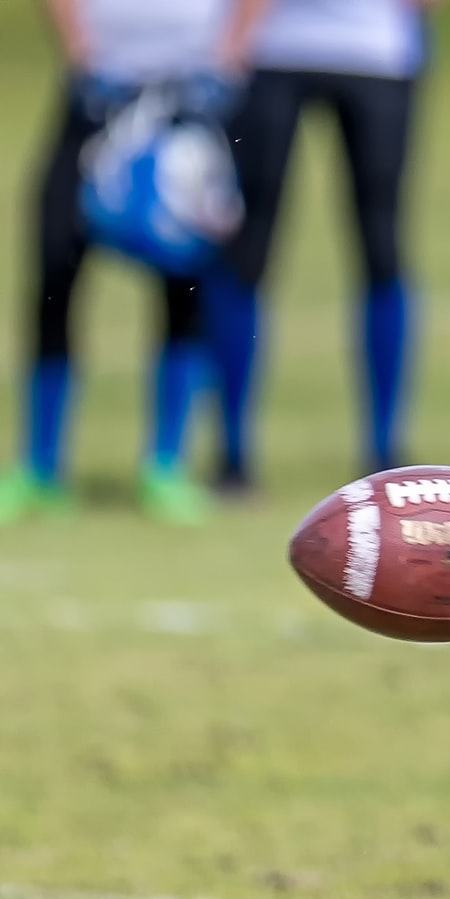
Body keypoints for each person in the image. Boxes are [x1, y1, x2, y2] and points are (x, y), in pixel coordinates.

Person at [3, 0, 268, 525]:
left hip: (192, 105)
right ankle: (39, 468)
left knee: (186, 278)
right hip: (98, 98)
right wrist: (82, 55)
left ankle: (165, 465)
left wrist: (228, 61)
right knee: (56, 266)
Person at [204, 0, 443, 491]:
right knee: (246, 252)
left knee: (380, 249)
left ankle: (384, 451)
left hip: (374, 55)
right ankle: (233, 452)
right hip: (273, 50)